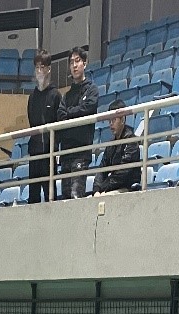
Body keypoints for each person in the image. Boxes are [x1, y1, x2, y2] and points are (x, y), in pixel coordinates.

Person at [55, 47, 98, 199]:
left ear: (84, 63)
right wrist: (75, 113)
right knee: (65, 199)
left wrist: (69, 113)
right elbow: (60, 115)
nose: (74, 65)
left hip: (81, 151)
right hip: (66, 152)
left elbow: (88, 108)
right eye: (71, 62)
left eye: (77, 61)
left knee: (76, 197)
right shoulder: (66, 96)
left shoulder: (92, 90)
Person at [26, 51, 61, 204]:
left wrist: (55, 148)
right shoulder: (32, 97)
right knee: (33, 196)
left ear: (49, 69)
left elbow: (59, 124)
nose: (39, 71)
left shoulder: (55, 95)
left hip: (49, 151)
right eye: (37, 67)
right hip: (34, 151)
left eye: (42, 67)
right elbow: (31, 122)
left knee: (50, 195)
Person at [93, 100, 140, 193]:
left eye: (114, 120)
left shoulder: (131, 141)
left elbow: (123, 174)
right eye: (109, 120)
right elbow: (102, 169)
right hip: (112, 187)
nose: (111, 123)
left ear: (122, 120)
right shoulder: (111, 145)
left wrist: (103, 189)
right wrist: (96, 189)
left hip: (127, 187)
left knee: (104, 197)